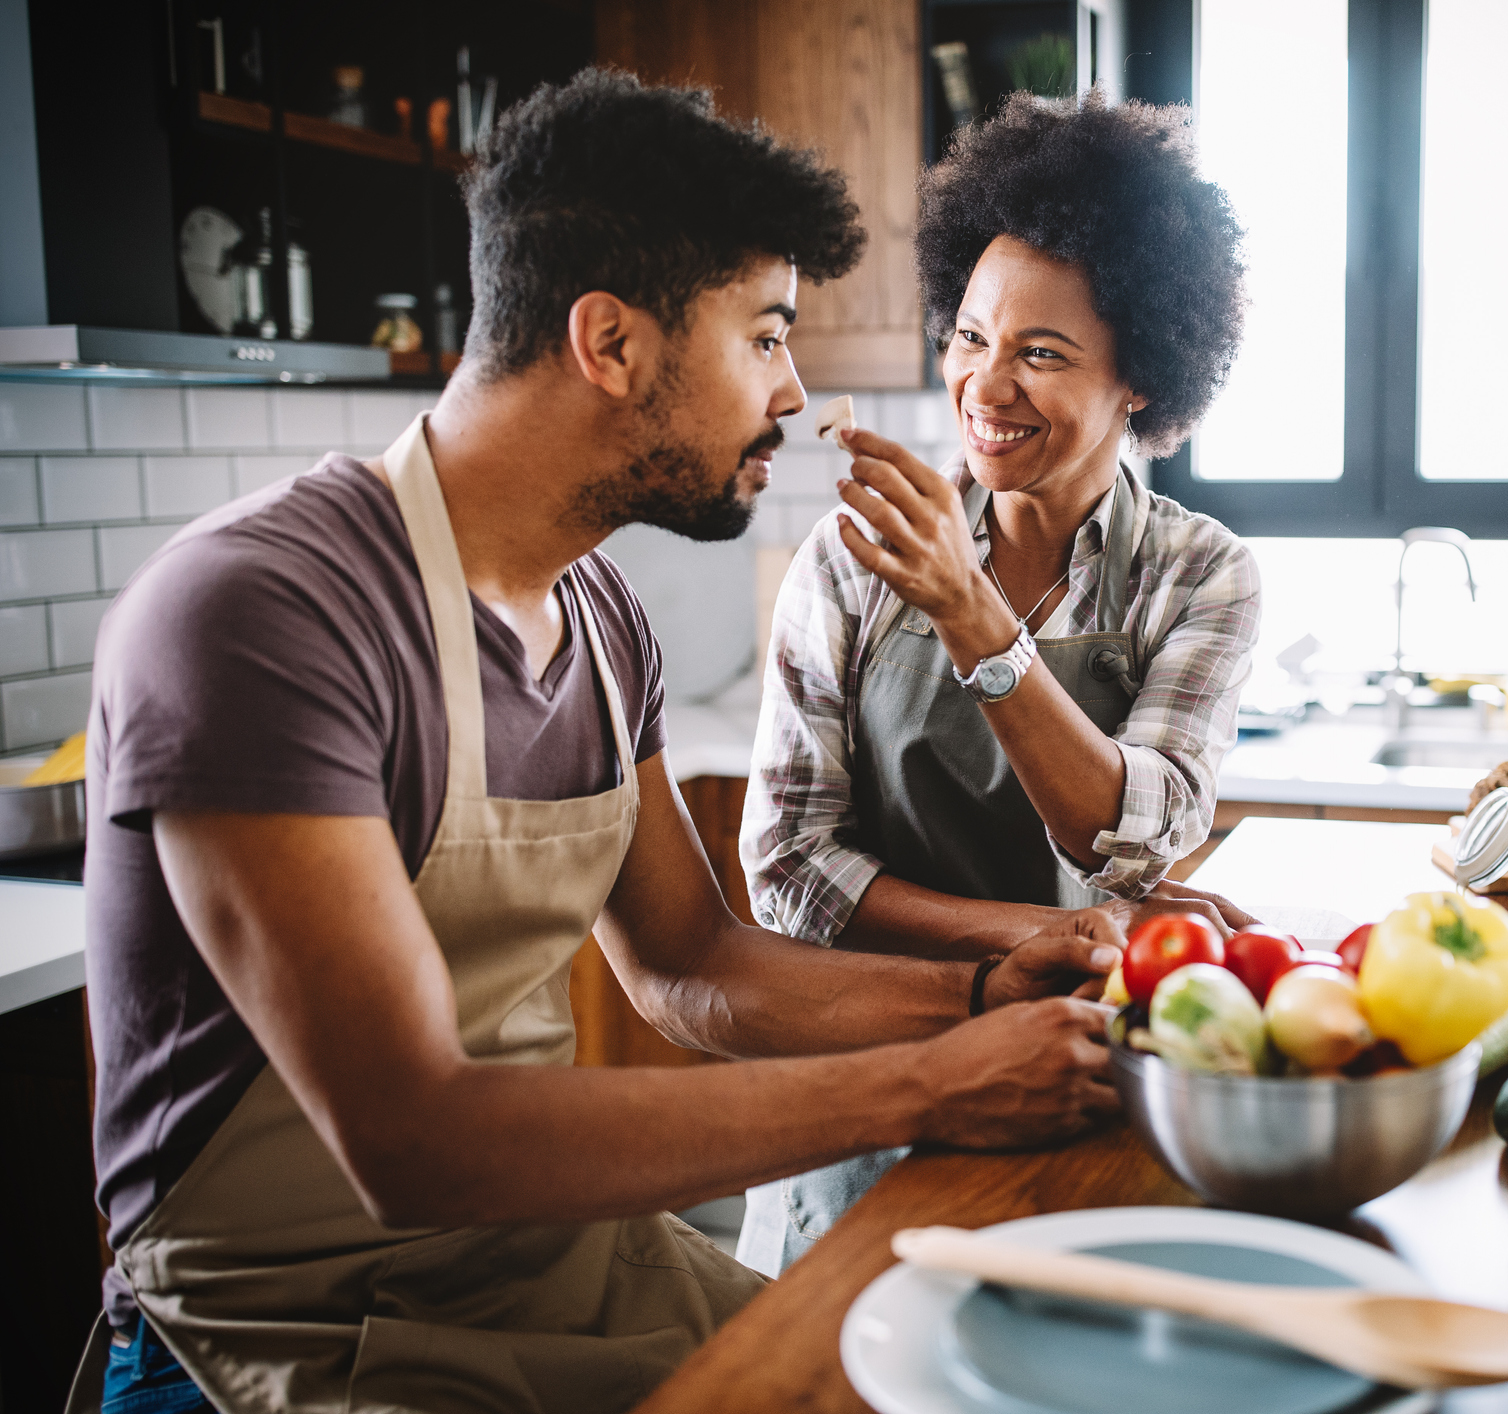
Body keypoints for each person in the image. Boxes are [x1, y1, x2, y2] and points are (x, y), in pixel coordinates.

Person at [76, 72, 1122, 1414]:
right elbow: (416, 1138)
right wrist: (931, 1080)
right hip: (276, 1332)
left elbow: (695, 965)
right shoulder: (260, 612)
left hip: (555, 1272)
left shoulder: (598, 612)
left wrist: (991, 996)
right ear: (611, 344)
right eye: (763, 336)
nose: (794, 393)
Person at [737, 92, 1259, 1276]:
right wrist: (1046, 935)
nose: (985, 386)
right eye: (971, 336)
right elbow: (785, 872)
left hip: (1094, 1073)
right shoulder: (852, 555)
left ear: (1143, 380)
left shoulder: (1200, 576)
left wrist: (972, 615)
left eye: (1042, 353)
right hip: (877, 1082)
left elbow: (1131, 833)